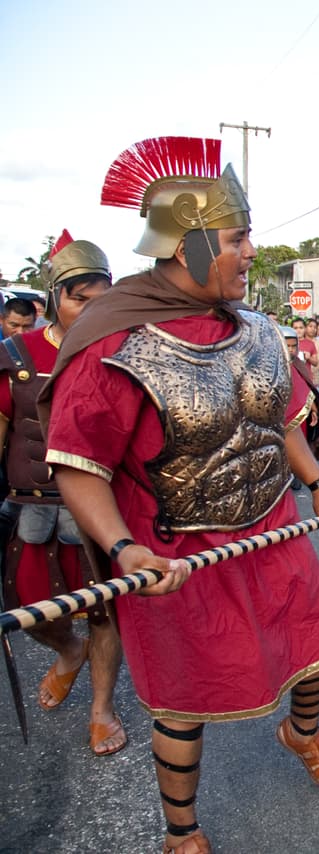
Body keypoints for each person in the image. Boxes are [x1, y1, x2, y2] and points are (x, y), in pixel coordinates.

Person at [45, 136, 319, 853]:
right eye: (239, 236)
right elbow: (79, 465)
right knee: (183, 701)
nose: (252, 251)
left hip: (270, 526)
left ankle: (300, 733)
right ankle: (180, 833)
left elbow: (278, 420)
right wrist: (123, 549)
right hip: (173, 552)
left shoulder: (257, 326)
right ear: (186, 244)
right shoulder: (111, 342)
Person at [0, 232, 126, 756]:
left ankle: (101, 709)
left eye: (102, 298)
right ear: (54, 297)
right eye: (79, 297)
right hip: (29, 506)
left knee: (105, 612)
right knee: (29, 610)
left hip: (99, 511)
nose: (91, 309)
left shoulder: (124, 352)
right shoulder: (16, 353)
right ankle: (68, 653)